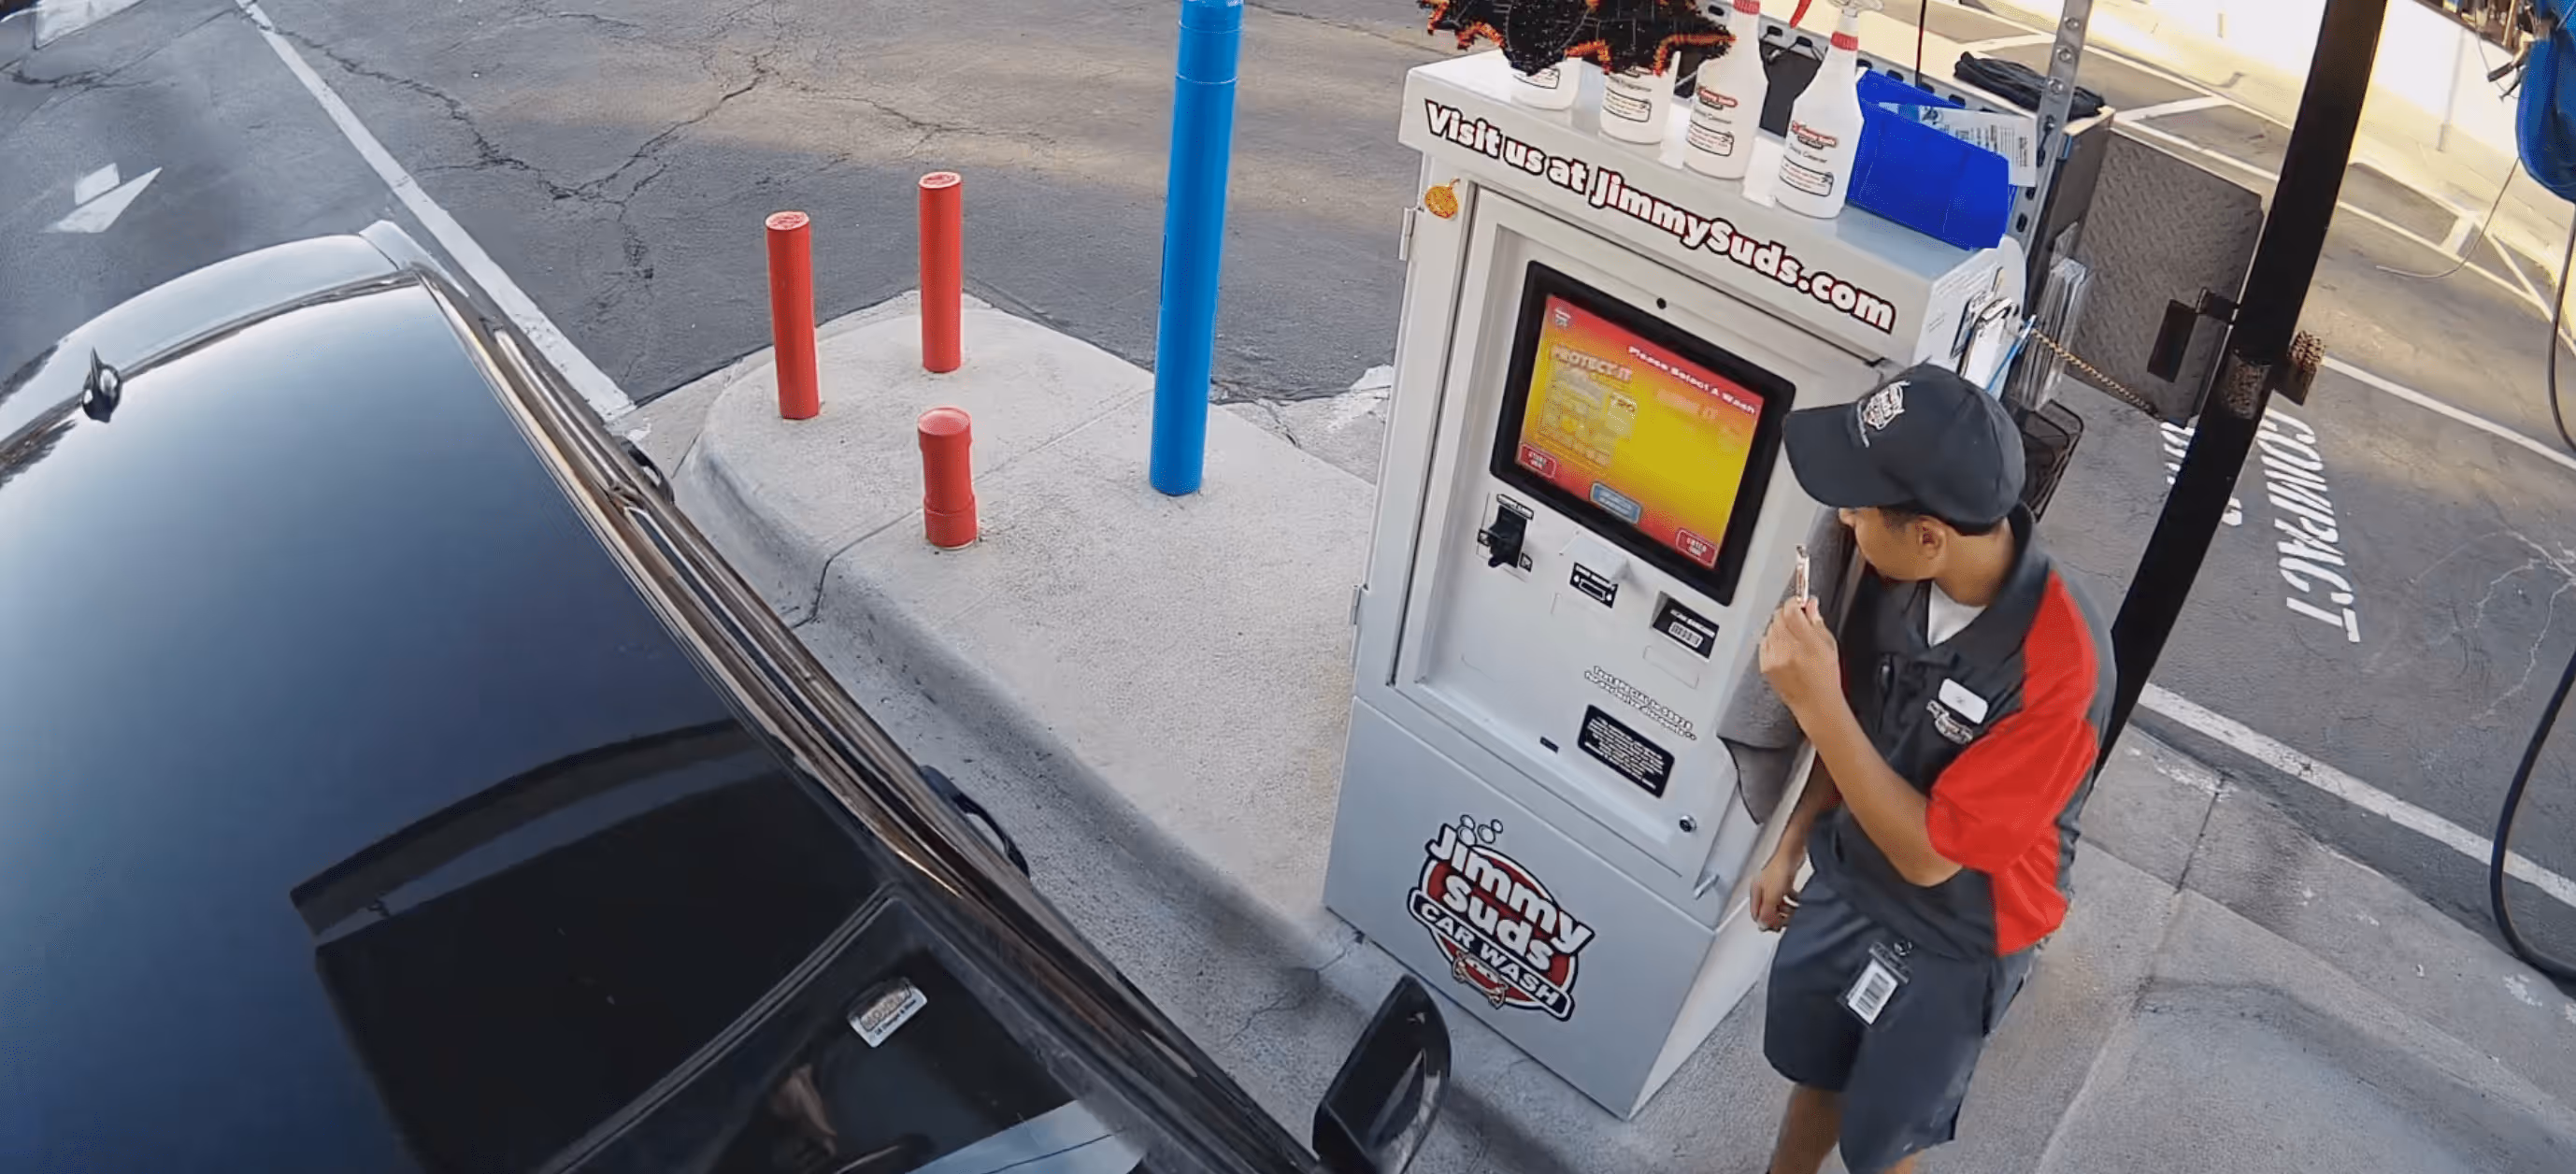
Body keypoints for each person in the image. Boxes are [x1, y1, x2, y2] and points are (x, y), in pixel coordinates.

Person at [1747, 365, 2114, 1174]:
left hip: (1963, 932)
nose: (1843, 516)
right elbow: (1869, 733)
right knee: (1818, 1072)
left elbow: (1929, 851)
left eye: (1861, 504)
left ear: (1928, 536)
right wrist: (1793, 844)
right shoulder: (1891, 572)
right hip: (1852, 876)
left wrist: (1815, 702)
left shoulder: (2062, 668)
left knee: (1884, 1142)